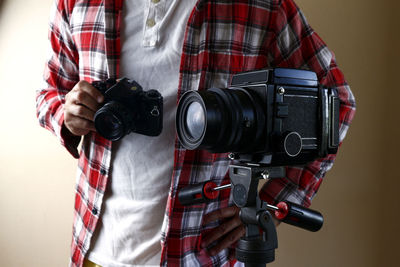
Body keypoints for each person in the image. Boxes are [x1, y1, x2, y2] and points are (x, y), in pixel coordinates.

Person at [36, 0, 355, 266]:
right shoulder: (77, 3)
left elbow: (337, 104)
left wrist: (275, 203)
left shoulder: (261, 6)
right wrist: (67, 113)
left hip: (202, 254)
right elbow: (49, 92)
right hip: (95, 249)